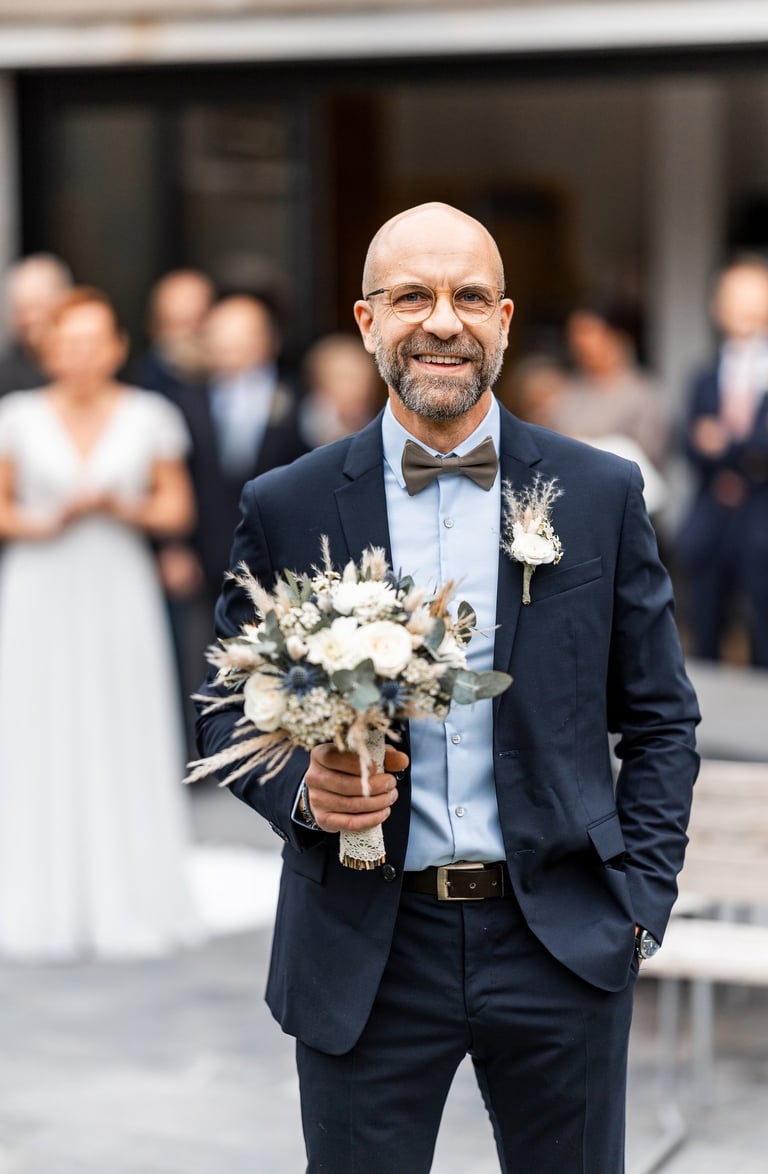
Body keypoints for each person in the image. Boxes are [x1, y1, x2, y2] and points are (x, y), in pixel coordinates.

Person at [195, 203, 700, 1173]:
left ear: (506, 321)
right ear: (366, 320)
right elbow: (223, 698)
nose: (443, 321)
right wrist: (308, 789)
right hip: (364, 948)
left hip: (561, 937)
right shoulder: (289, 502)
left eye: (470, 296)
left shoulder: (599, 495)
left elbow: (662, 717)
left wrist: (636, 903)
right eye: (413, 296)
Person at [0, 287, 200, 959]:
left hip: (118, 585)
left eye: (95, 341)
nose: (83, 355)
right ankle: (37, 891)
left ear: (117, 345)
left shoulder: (150, 415)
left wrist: (124, 505)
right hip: (39, 584)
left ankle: (129, 887)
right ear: (46, 346)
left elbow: (177, 510)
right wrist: (41, 521)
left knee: (122, 720)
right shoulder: (17, 417)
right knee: (38, 723)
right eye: (69, 341)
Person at [677, 256, 768, 667]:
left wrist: (726, 442)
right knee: (705, 627)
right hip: (712, 518)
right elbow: (688, 442)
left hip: (761, 517)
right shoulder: (705, 373)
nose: (742, 308)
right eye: (733, 297)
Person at [550, 295, 670, 516]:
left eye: (588, 331)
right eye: (574, 334)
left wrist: (590, 446)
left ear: (615, 337)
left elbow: (650, 458)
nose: (580, 342)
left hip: (626, 510)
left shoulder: (642, 393)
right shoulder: (568, 393)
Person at [0, 253, 72, 396]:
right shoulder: (5, 378)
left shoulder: (98, 366)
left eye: (37, 307)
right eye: (21, 310)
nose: (29, 319)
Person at [299, 331, 384, 448]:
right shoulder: (293, 433)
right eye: (346, 377)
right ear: (320, 382)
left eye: (364, 378)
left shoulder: (380, 432)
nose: (359, 388)